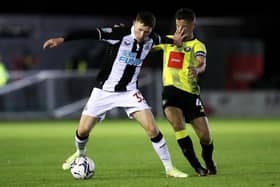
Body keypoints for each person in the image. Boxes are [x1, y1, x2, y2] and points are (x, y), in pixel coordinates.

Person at [43, 11, 188, 178]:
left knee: (152, 129)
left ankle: (169, 169)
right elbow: (89, 33)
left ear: (151, 30)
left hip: (129, 92)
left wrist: (175, 40)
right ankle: (79, 153)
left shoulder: (152, 39)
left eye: (146, 31)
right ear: (134, 23)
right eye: (140, 29)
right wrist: (61, 39)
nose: (142, 35)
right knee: (82, 131)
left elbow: (166, 39)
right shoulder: (119, 34)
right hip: (104, 91)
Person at [152, 8, 217, 176]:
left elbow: (202, 62)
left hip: (190, 94)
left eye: (184, 27)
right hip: (170, 92)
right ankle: (197, 166)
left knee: (205, 137)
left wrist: (197, 68)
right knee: (178, 126)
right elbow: (147, 45)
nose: (180, 30)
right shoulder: (167, 41)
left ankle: (207, 158)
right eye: (178, 25)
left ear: (193, 25)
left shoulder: (198, 45)